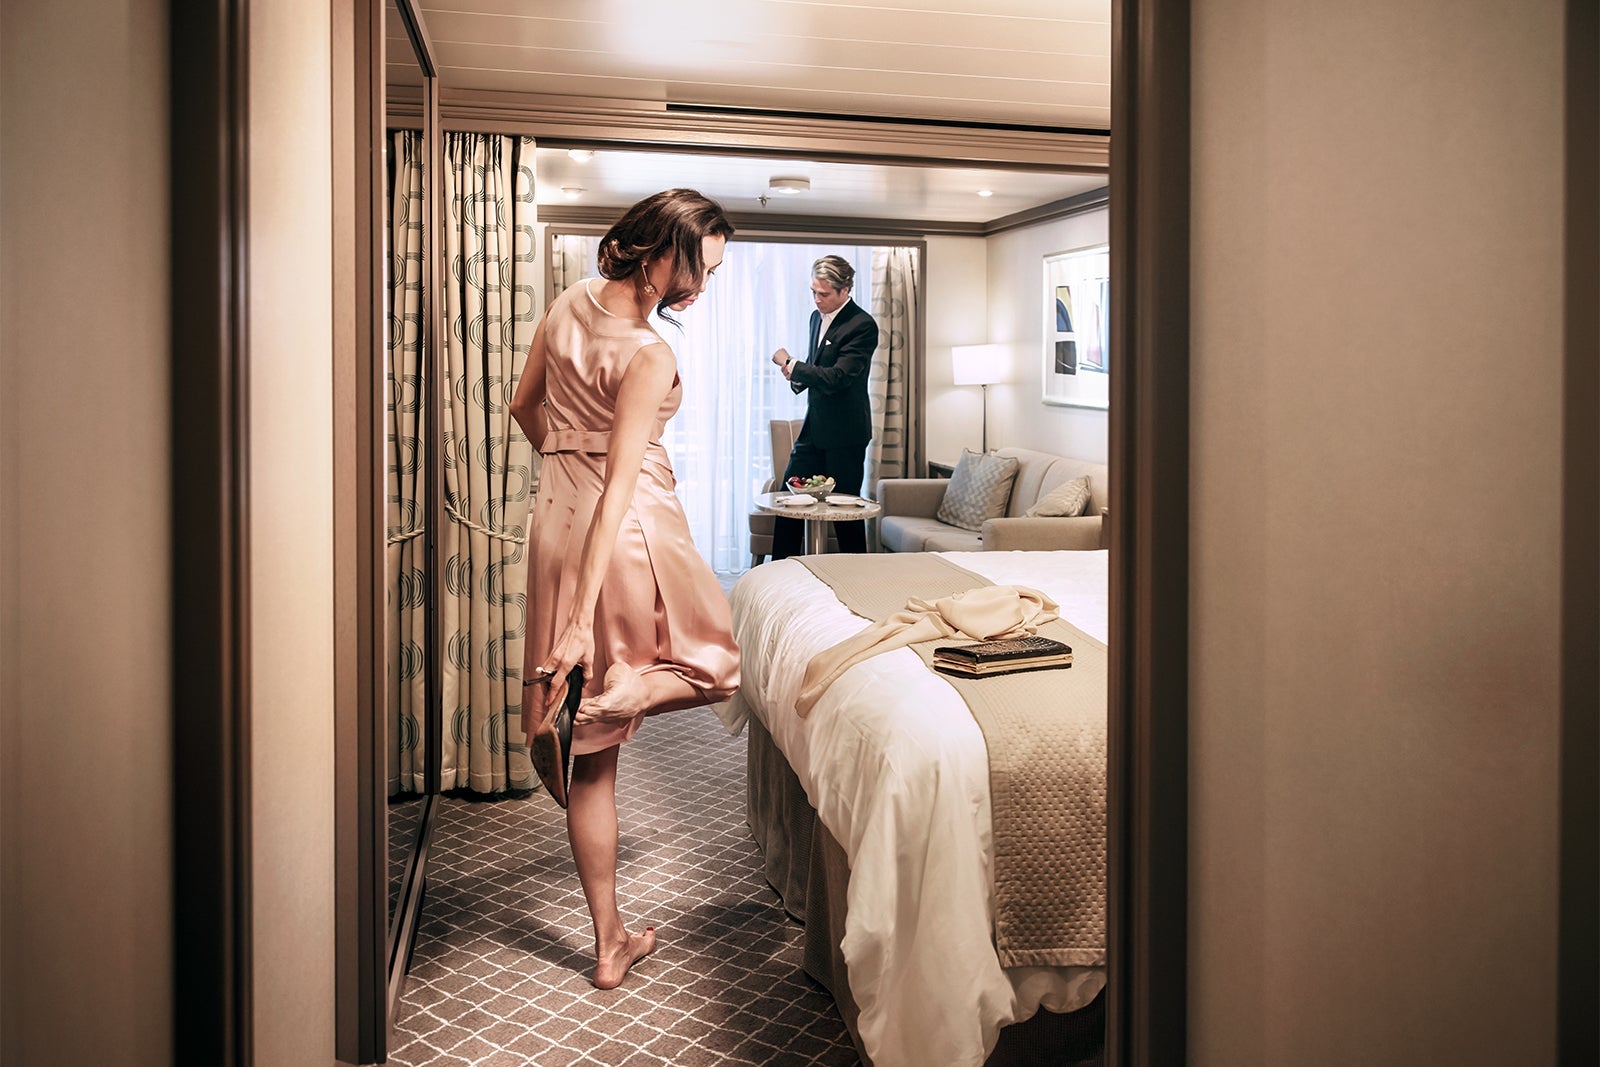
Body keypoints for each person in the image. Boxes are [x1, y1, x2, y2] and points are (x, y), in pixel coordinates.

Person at [510, 188, 740, 990]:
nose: (700, 288)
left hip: (554, 525)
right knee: (721, 667)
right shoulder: (648, 352)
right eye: (698, 269)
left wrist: (563, 463)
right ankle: (633, 688)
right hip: (628, 525)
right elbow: (617, 490)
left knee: (591, 759)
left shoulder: (567, 303)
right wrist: (582, 619)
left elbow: (524, 406)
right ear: (660, 251)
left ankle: (610, 941)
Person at [768, 255, 880, 557]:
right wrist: (795, 374)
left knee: (846, 511)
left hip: (846, 433)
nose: (817, 299)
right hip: (814, 427)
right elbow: (817, 366)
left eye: (824, 294)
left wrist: (791, 362)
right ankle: (778, 569)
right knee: (788, 501)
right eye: (813, 292)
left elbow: (838, 378)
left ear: (845, 290)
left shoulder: (862, 325)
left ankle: (857, 574)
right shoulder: (816, 317)